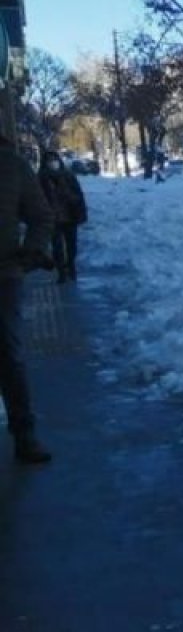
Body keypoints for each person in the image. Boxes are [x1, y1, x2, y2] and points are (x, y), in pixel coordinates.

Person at [1, 142, 56, 464]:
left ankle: (24, 433)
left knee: (8, 355)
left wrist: (31, 251)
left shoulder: (11, 165)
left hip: (3, 275)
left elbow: (42, 216)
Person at [36, 150, 88, 283]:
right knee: (57, 246)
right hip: (53, 218)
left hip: (70, 216)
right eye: (49, 160)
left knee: (72, 245)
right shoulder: (41, 178)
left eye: (55, 159)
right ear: (45, 163)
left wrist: (80, 211)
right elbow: (37, 198)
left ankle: (71, 265)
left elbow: (78, 195)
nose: (53, 163)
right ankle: (61, 271)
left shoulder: (68, 176)